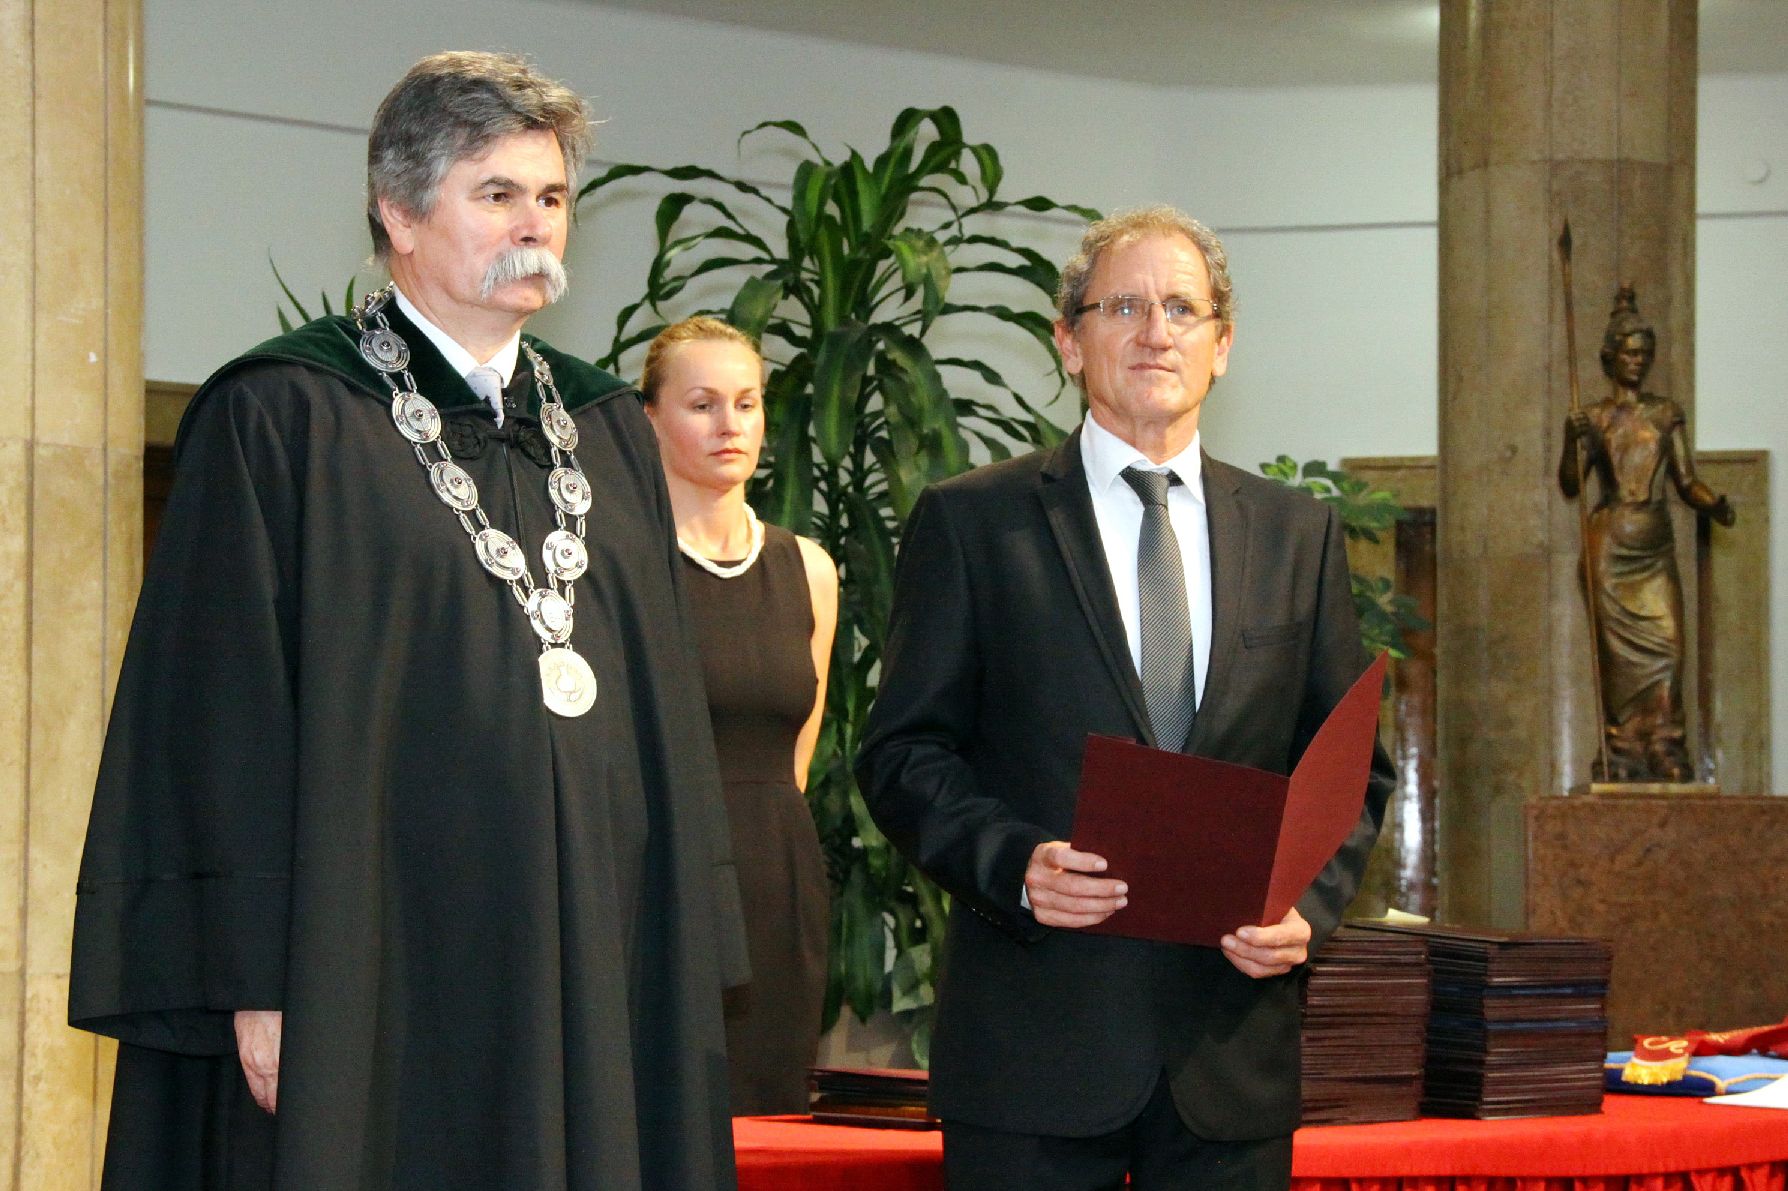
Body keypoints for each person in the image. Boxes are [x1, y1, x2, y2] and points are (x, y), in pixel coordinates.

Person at [68, 51, 744, 1191]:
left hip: (590, 945)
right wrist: (251, 975)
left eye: (552, 196)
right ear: (399, 211)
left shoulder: (607, 428)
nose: (535, 224)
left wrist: (681, 937)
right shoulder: (285, 415)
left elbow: (665, 710)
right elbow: (220, 716)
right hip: (373, 956)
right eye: (498, 193)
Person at [856, 205, 1395, 1190]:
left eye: (1183, 309)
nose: (1156, 332)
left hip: (1230, 1055)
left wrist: (1306, 909)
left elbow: (1350, 768)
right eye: (1125, 307)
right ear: (1070, 341)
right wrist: (1017, 865)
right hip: (1035, 1054)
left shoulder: (1297, 535)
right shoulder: (973, 523)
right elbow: (903, 753)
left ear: (1222, 346)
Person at [641, 317, 838, 1114]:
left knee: (773, 1120)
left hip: (779, 884)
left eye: (747, 402)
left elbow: (798, 758)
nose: (731, 424)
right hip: (657, 882)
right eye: (702, 404)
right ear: (651, 418)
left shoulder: (809, 568)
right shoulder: (620, 569)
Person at [1558, 285, 1735, 782]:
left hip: (1654, 544)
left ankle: (1665, 746)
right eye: (1630, 354)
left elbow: (1687, 481)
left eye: (1645, 354)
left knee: (1670, 649)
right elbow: (1571, 485)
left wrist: (1714, 504)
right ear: (1610, 358)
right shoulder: (1594, 418)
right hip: (1610, 543)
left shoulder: (1665, 413)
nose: (1638, 362)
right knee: (1617, 664)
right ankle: (1621, 751)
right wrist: (1571, 441)